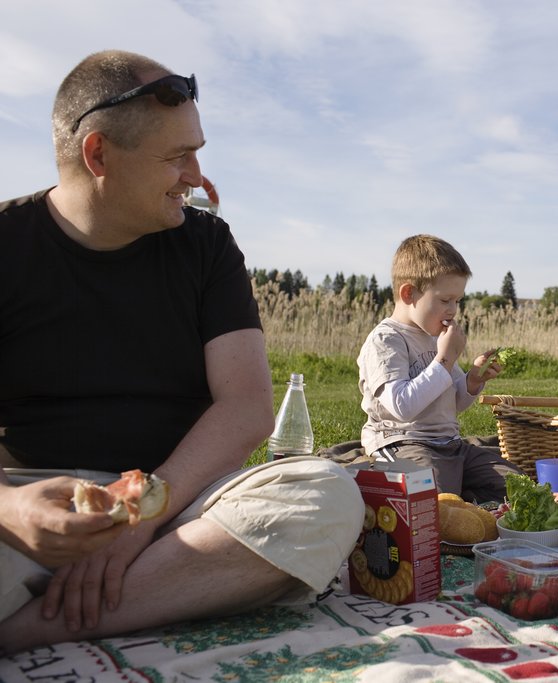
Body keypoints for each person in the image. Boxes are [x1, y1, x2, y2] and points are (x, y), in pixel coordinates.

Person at [0, 50, 363, 654]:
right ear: (98, 155)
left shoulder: (207, 245)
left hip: (182, 505)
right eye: (176, 157)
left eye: (196, 152)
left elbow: (246, 407)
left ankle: (32, 628)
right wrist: (10, 509)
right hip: (36, 509)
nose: (195, 175)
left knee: (325, 496)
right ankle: (150, 595)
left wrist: (138, 520)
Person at [355, 234, 523, 503]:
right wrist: (444, 360)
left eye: (458, 301)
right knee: (430, 500)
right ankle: (455, 502)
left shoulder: (435, 339)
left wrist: (471, 380)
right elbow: (402, 406)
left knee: (518, 486)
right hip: (402, 443)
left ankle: (465, 502)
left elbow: (451, 402)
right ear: (409, 293)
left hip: (451, 445)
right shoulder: (386, 340)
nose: (454, 310)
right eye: (445, 300)